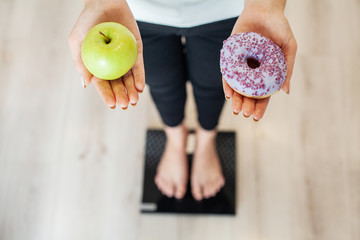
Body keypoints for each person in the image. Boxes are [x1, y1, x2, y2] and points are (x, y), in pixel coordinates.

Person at [68, 0, 297, 201]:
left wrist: (266, 6)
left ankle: (206, 140)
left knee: (213, 82)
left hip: (224, 9)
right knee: (161, 81)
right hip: (133, 12)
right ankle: (176, 139)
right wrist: (101, 3)